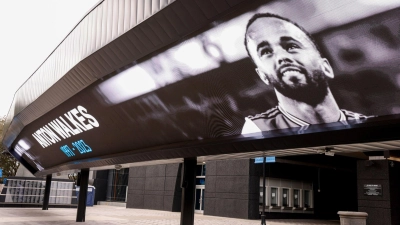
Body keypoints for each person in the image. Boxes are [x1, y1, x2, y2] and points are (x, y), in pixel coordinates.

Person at [242, 13, 368, 134]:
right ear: (263, 76)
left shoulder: (367, 126)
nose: (281, 56)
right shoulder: (258, 131)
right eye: (266, 52)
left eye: (291, 46)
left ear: (326, 67)